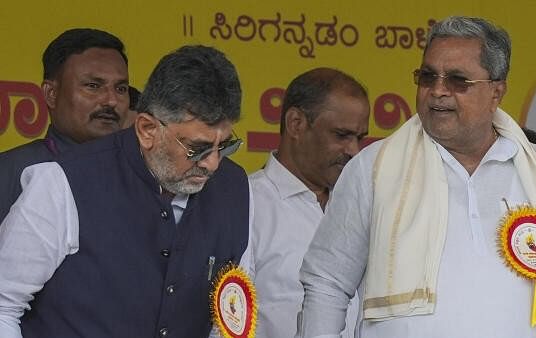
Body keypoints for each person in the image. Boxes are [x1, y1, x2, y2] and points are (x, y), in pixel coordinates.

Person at [296, 16, 536, 337]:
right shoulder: (373, 168)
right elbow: (327, 284)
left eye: (457, 80)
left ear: (496, 92)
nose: (438, 91)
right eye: (428, 77)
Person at [0, 45, 248, 338]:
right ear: (147, 130)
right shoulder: (61, 184)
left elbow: (231, 313)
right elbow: (4, 305)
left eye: (225, 146)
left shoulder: (236, 189)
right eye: (198, 149)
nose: (212, 164)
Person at [249, 67, 370, 337]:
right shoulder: (247, 205)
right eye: (341, 135)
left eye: (359, 138)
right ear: (296, 124)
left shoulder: (365, 205)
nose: (354, 151)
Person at [0, 28, 130, 221]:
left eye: (121, 88)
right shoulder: (9, 171)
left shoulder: (143, 176)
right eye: (93, 86)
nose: (111, 101)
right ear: (51, 94)